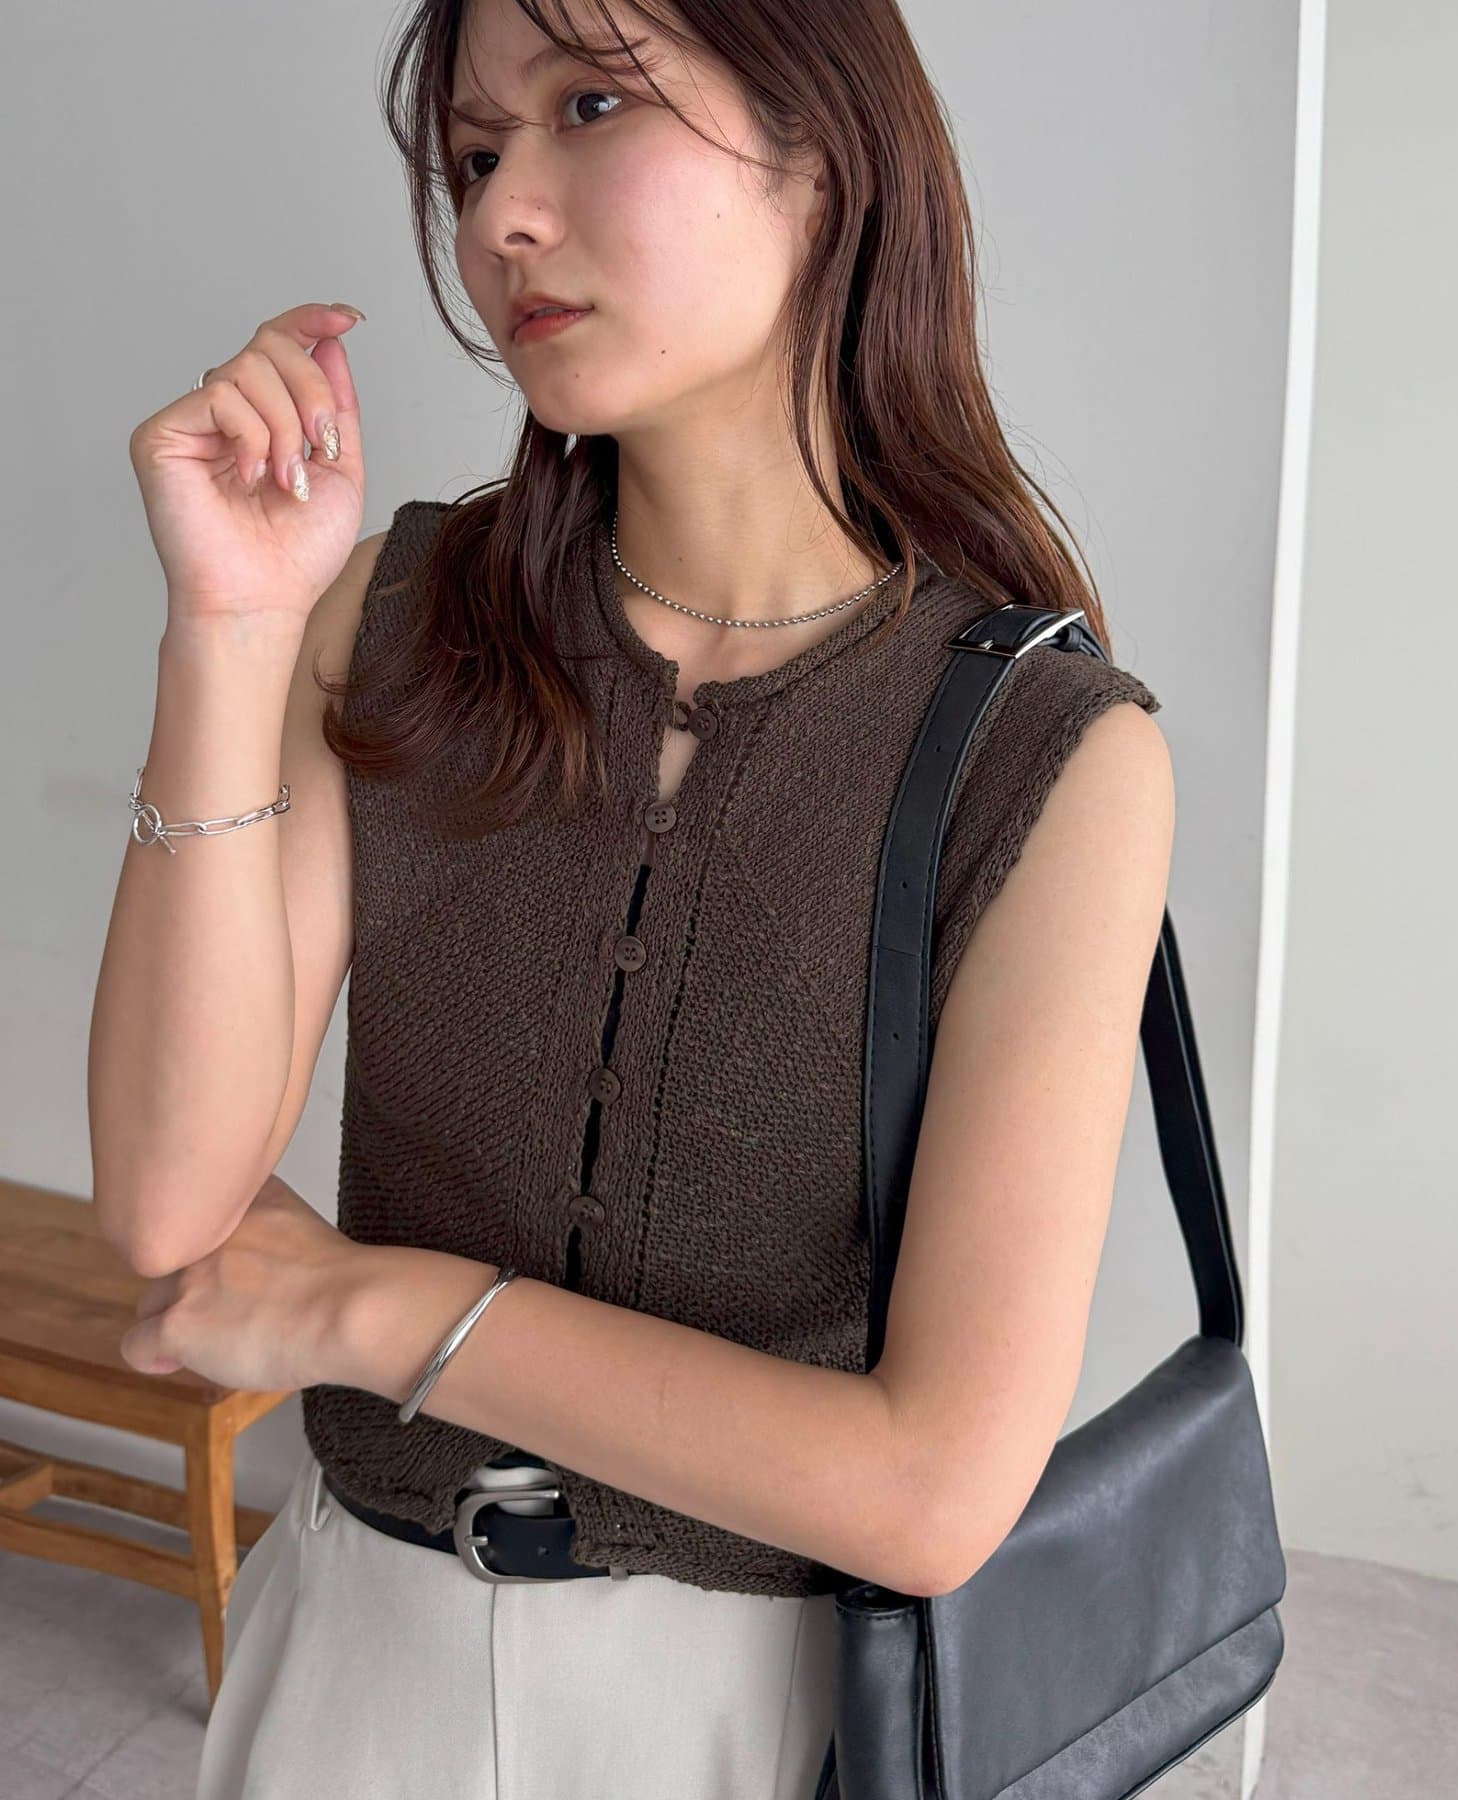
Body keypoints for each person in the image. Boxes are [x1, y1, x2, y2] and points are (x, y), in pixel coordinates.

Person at [90, 0, 1175, 1794]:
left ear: (825, 152)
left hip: (761, 1716)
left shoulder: (1047, 752)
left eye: (591, 106)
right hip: (351, 1659)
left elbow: (930, 1489)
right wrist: (226, 628)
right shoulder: (401, 615)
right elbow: (166, 1200)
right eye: (472, 155)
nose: (502, 214)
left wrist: (365, 1311)